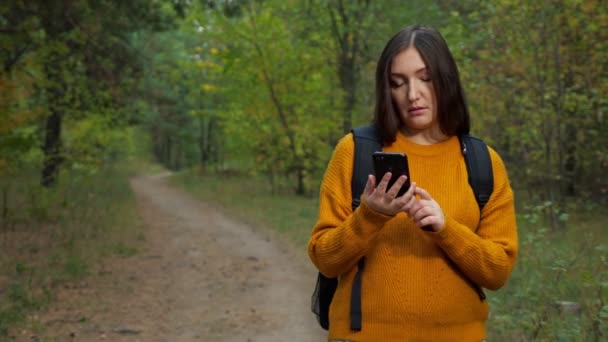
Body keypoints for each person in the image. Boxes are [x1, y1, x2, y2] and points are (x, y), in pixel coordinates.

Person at [307, 24, 518, 341]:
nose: (412, 94)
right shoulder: (355, 151)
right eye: (398, 83)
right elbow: (324, 259)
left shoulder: (482, 162)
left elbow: (498, 271)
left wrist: (446, 229)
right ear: (386, 89)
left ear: (445, 79)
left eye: (425, 78)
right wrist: (370, 215)